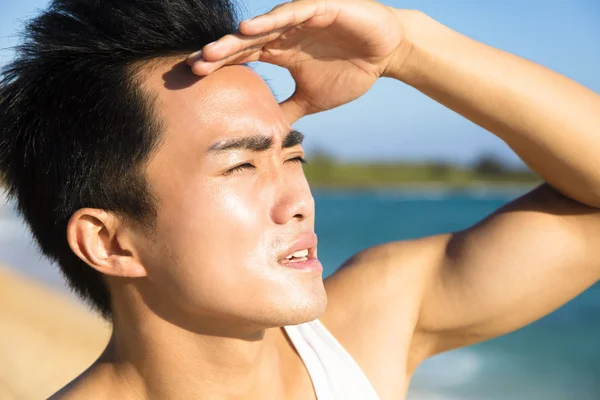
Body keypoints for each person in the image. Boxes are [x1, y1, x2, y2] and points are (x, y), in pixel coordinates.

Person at [0, 0, 598, 398]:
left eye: (292, 156)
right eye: (241, 165)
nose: (298, 202)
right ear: (108, 241)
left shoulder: (362, 336)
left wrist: (409, 50)